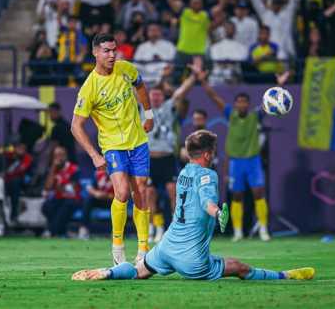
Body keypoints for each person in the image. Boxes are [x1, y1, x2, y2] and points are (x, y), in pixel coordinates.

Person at [72, 130, 315, 283]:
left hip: (166, 247)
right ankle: (286, 275)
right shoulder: (208, 175)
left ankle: (108, 272)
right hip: (191, 259)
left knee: (138, 271)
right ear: (208, 155)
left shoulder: (185, 172)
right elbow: (207, 202)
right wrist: (218, 212)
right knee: (240, 268)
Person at [72, 33, 154, 264]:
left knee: (141, 191)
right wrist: (94, 154)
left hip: (138, 141)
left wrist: (148, 114)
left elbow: (141, 85)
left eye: (114, 50)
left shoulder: (126, 68)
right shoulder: (89, 88)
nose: (111, 55)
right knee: (122, 192)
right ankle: (117, 246)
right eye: (106, 51)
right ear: (95, 53)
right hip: (113, 146)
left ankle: (143, 250)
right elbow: (76, 126)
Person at [196, 71, 288, 242]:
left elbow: (272, 101)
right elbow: (213, 96)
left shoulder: (256, 115)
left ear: (248, 104)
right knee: (236, 196)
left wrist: (280, 85)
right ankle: (238, 232)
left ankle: (263, 230)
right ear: (235, 104)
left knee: (258, 194)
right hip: (236, 162)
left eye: (244, 102)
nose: (242, 105)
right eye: (239, 102)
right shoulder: (230, 113)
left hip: (253, 160)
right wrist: (202, 81)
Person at [147, 59, 203, 242]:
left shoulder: (168, 107)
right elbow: (130, 88)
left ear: (162, 97)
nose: (155, 98)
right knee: (150, 195)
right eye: (152, 95)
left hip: (167, 158)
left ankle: (174, 228)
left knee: (173, 192)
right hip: (149, 159)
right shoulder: (142, 108)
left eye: (158, 95)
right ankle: (155, 228)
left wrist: (194, 76)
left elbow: (181, 93)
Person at [42, 145, 81, 237]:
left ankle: (52, 231)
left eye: (61, 155)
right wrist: (53, 168)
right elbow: (48, 187)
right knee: (46, 206)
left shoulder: (73, 169)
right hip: (58, 197)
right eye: (56, 156)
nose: (58, 158)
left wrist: (61, 187)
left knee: (65, 205)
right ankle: (60, 231)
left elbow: (73, 189)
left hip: (72, 198)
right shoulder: (53, 169)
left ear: (65, 156)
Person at [78, 168, 114, 239]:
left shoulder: (117, 175)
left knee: (118, 205)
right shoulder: (98, 174)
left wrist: (107, 195)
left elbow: (123, 194)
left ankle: (115, 232)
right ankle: (83, 229)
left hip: (112, 200)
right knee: (88, 200)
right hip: (100, 199)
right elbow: (89, 187)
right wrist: (96, 193)